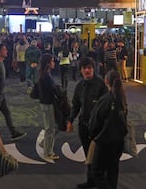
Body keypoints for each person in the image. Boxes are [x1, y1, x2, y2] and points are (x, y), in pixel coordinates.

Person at [67, 57, 108, 189]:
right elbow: (75, 105)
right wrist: (70, 120)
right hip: (83, 126)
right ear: (81, 70)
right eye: (84, 68)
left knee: (98, 158)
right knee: (88, 156)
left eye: (89, 68)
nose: (86, 70)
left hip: (98, 128)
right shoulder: (79, 86)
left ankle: (101, 182)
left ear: (93, 69)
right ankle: (91, 181)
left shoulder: (101, 85)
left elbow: (107, 106)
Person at [89, 70, 128, 189]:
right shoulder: (122, 100)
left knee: (96, 171)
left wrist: (94, 136)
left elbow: (95, 121)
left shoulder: (105, 100)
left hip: (105, 141)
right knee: (113, 170)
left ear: (106, 81)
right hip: (119, 141)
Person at [0, 43, 27, 141]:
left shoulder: (0, 63)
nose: (6, 51)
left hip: (0, 93)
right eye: (4, 49)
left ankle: (13, 132)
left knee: (6, 112)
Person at [37, 53, 63, 160]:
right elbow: (52, 90)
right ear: (47, 64)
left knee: (54, 127)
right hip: (47, 104)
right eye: (52, 61)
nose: (53, 63)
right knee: (50, 129)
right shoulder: (45, 76)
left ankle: (45, 143)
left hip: (47, 103)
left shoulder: (44, 74)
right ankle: (48, 152)